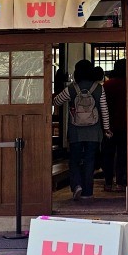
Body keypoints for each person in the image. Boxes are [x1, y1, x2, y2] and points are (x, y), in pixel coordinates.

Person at [53, 59, 111, 200]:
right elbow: (104, 110)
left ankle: (77, 185)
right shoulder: (99, 88)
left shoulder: (72, 88)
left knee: (74, 159)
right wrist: (107, 129)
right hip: (94, 131)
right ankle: (87, 192)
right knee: (90, 160)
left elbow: (56, 101)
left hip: (75, 131)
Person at [102, 59, 128, 191]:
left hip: (109, 125)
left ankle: (107, 182)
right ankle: (120, 182)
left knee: (108, 154)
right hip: (126, 124)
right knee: (123, 154)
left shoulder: (107, 85)